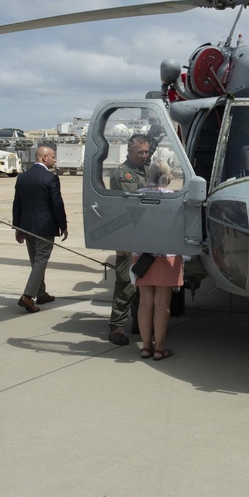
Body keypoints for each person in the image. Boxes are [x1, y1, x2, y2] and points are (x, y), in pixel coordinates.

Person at [12, 145, 68, 313]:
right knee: (41, 261)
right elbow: (57, 204)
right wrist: (63, 226)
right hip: (45, 227)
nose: (55, 160)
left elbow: (17, 204)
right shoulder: (50, 178)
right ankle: (28, 296)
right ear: (44, 158)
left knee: (35, 261)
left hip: (27, 227)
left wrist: (17, 227)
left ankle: (41, 294)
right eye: (53, 157)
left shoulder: (22, 177)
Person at [133, 160, 180, 360]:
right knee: (163, 303)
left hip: (142, 256)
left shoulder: (137, 195)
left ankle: (145, 347)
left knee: (145, 302)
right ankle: (160, 348)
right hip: (167, 255)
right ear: (167, 176)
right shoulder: (174, 198)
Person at [106, 134, 150, 345]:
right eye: (140, 152)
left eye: (146, 151)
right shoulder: (124, 175)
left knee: (142, 282)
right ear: (129, 152)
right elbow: (137, 202)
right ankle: (116, 327)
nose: (144, 155)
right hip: (127, 236)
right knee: (126, 284)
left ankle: (138, 324)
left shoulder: (144, 171)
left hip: (142, 235)